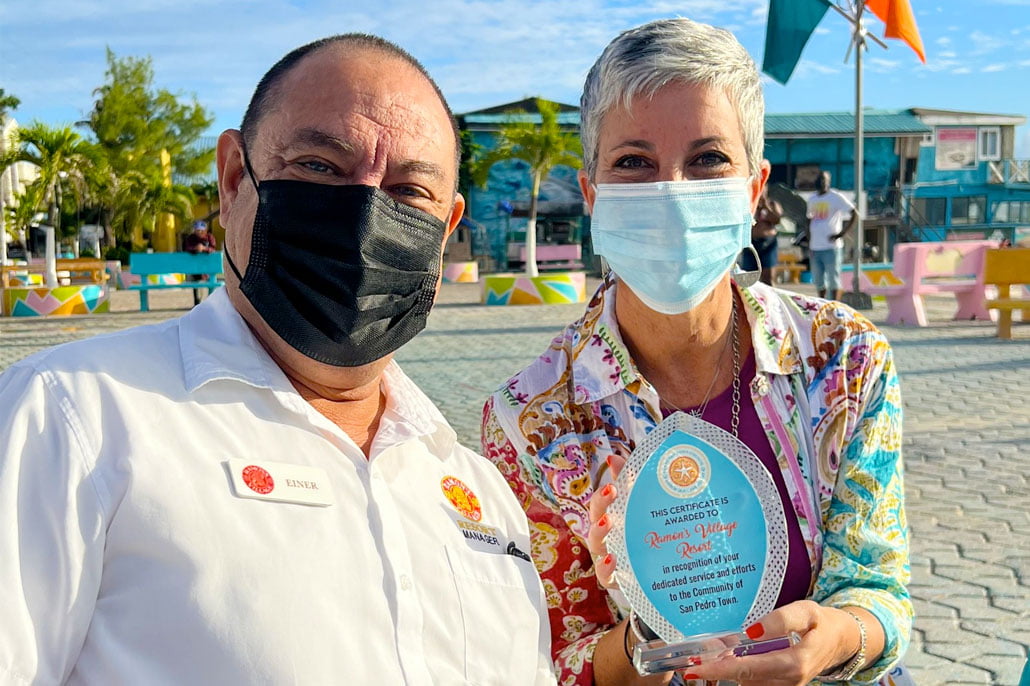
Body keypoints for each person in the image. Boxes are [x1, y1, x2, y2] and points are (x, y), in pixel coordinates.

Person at [0, 34, 555, 684]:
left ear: (446, 228)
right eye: (319, 166)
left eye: (409, 191)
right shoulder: (72, 419)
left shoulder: (479, 492)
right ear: (234, 178)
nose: (366, 216)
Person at [481, 18, 910, 686]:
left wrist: (838, 638)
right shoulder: (530, 420)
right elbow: (550, 657)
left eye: (708, 159)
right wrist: (648, 633)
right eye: (633, 162)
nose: (672, 192)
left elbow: (879, 587)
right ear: (592, 194)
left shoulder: (843, 358)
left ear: (754, 188)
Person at [806, 171, 857, 300]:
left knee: (833, 279)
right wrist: (809, 242)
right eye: (819, 180)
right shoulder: (812, 199)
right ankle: (822, 303)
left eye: (824, 180)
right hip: (815, 247)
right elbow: (808, 220)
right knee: (818, 280)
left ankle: (835, 305)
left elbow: (854, 213)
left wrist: (842, 233)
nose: (822, 182)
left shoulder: (835, 197)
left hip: (831, 247)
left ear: (829, 182)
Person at [739, 183, 782, 285]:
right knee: (748, 277)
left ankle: (770, 294)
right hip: (751, 243)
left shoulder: (772, 204)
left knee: (768, 277)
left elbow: (777, 219)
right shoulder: (749, 205)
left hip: (768, 242)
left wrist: (765, 205)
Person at [184, 219, 218, 304]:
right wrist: (196, 248)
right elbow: (187, 248)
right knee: (195, 279)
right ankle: (197, 301)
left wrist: (204, 248)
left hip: (207, 267)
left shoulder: (209, 237)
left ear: (205, 230)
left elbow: (213, 249)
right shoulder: (191, 238)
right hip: (196, 268)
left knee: (211, 279)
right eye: (197, 230)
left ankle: (210, 300)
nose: (199, 232)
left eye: (201, 230)